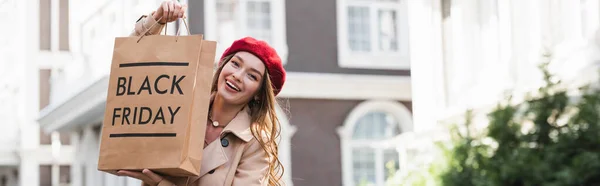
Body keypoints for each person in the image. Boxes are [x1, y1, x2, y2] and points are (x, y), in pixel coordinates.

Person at [116, 1, 286, 185]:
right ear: (222, 67)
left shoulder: (255, 144)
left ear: (259, 94)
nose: (237, 75)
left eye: (252, 76)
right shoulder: (181, 101)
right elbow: (132, 62)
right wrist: (157, 20)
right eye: (235, 64)